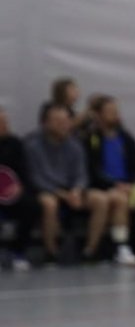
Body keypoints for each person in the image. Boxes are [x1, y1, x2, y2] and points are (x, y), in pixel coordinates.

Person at [84, 96, 135, 265]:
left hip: (129, 186)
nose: (115, 115)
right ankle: (121, 247)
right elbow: (92, 168)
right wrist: (113, 184)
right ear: (99, 115)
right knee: (120, 201)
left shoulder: (125, 138)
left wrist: (132, 184)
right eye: (110, 112)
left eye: (116, 111)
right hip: (106, 187)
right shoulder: (93, 139)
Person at [24, 102, 111, 263]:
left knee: (101, 199)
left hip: (72, 190)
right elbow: (35, 178)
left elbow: (81, 174)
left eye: (66, 121)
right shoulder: (32, 146)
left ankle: (90, 251)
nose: (64, 125)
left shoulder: (75, 145)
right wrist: (62, 194)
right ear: (45, 123)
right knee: (49, 204)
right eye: (58, 121)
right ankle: (51, 252)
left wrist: (77, 190)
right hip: (46, 190)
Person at [0, 105, 37, 270]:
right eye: (1, 123)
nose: (4, 126)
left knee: (31, 206)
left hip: (11, 193)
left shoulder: (15, 143)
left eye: (5, 122)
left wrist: (20, 187)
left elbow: (24, 171)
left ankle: (18, 251)